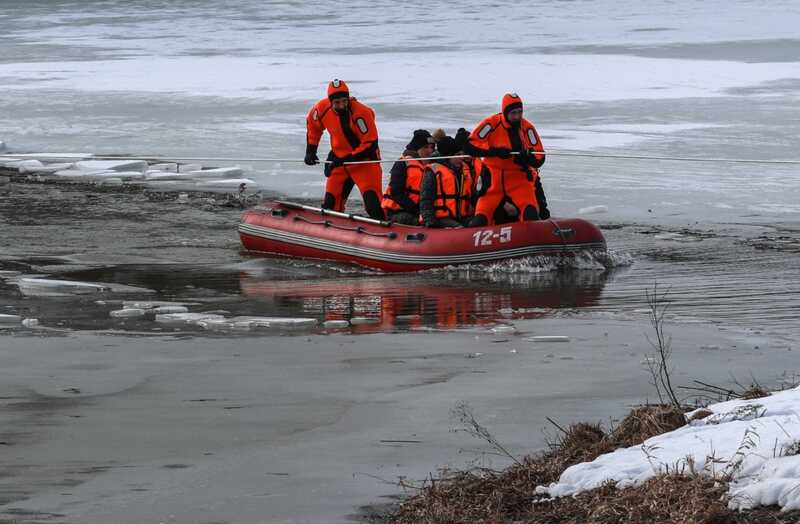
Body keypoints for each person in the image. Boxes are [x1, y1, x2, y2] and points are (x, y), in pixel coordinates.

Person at [463, 93, 550, 226]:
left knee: (530, 215)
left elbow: (539, 158)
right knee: (480, 220)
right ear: (505, 112)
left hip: (518, 181)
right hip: (493, 180)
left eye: (520, 112)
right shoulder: (491, 124)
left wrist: (527, 158)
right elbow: (470, 146)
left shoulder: (527, 128)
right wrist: (495, 152)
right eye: (513, 113)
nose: (517, 116)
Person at [304, 79, 385, 220]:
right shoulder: (321, 109)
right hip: (339, 161)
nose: (341, 105)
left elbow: (370, 144)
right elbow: (313, 128)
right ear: (330, 102)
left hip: (365, 163)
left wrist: (347, 159)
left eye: (344, 101)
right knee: (330, 205)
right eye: (337, 103)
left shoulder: (362, 113)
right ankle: (331, 233)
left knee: (374, 207)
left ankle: (388, 229)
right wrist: (311, 151)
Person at [380, 129, 436, 225]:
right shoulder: (402, 164)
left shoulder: (431, 165)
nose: (430, 150)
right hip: (398, 211)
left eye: (432, 148)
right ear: (417, 148)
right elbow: (396, 192)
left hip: (421, 210)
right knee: (420, 222)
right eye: (426, 147)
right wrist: (417, 210)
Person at [419, 133, 475, 228]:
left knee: (478, 223)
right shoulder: (434, 171)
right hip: (441, 218)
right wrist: (431, 222)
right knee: (460, 229)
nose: (461, 158)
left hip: (463, 216)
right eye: (457, 155)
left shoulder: (463, 170)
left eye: (461, 154)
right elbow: (425, 200)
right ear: (448, 156)